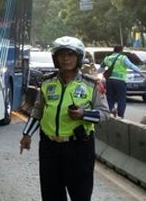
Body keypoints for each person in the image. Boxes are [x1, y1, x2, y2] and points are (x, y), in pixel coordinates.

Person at [19, 36, 109, 201]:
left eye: (71, 55)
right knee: (51, 194)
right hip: (49, 148)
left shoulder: (91, 84)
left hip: (79, 148)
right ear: (56, 58)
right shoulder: (47, 83)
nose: (66, 59)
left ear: (78, 58)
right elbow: (38, 110)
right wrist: (27, 134)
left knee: (80, 195)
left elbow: (104, 113)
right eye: (61, 55)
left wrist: (84, 114)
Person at [100, 45, 144, 117]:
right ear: (121, 51)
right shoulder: (123, 58)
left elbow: (101, 69)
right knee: (121, 98)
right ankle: (120, 114)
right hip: (120, 81)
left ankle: (111, 109)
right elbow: (131, 66)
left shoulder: (107, 58)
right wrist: (141, 73)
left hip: (110, 81)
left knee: (110, 97)